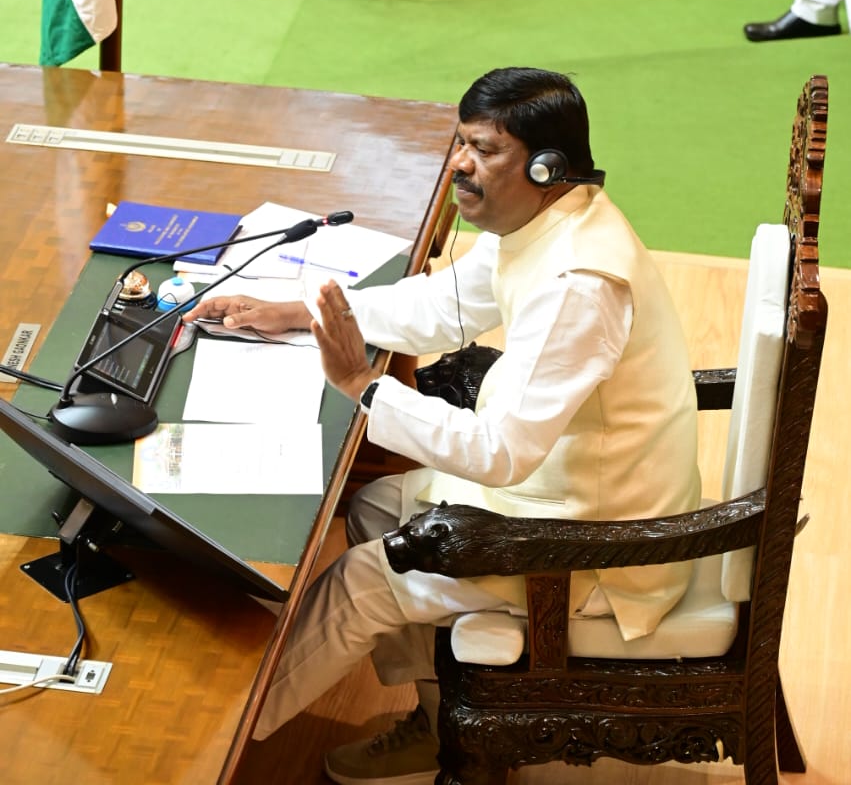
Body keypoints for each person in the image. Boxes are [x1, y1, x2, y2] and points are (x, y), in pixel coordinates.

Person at [187, 67, 701, 785]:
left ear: (545, 166)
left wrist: (362, 385)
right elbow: (439, 307)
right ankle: (438, 729)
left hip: (597, 544)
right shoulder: (548, 220)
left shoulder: (579, 286)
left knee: (365, 581)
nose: (459, 164)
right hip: (566, 491)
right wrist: (296, 313)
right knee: (373, 508)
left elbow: (501, 453)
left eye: (483, 150)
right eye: (460, 142)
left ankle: (202, 749)